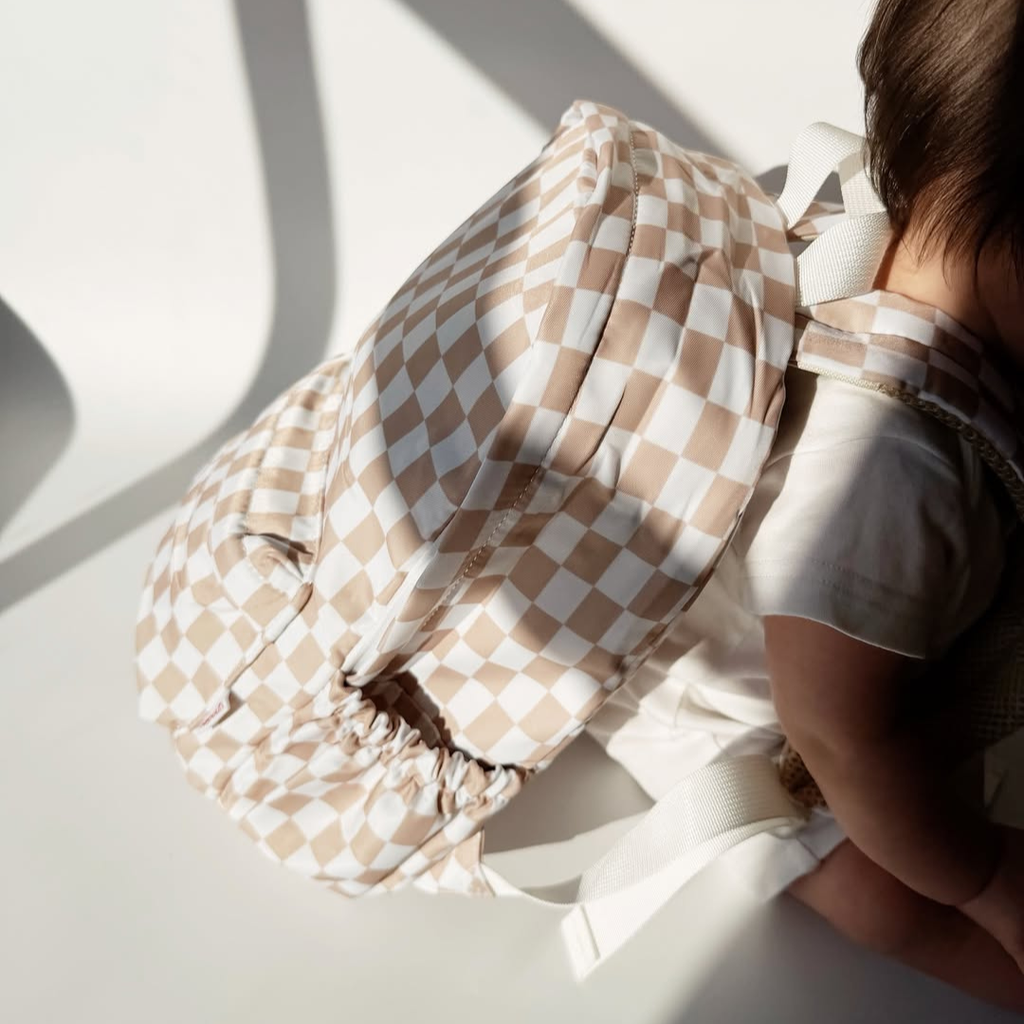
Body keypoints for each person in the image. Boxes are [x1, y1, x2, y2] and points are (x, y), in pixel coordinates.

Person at [587, 0, 1024, 1010]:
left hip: (828, 637)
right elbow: (834, 734)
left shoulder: (877, 239)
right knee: (879, 891)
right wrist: (987, 877)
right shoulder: (888, 473)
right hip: (743, 720)